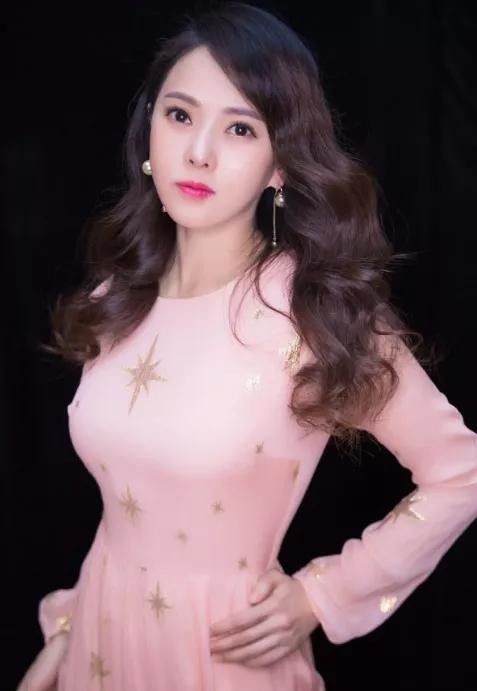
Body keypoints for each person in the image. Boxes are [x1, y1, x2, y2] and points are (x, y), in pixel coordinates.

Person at [18, 3, 477, 690]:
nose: (199, 151)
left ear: (279, 164)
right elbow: (131, 510)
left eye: (240, 128)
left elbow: (462, 472)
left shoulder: (312, 314)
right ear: (149, 132)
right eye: (180, 115)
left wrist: (322, 594)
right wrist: (67, 633)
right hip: (100, 647)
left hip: (224, 661)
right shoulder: (117, 297)